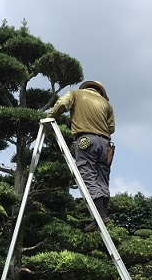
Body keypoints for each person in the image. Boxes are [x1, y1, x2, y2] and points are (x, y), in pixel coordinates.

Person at [48, 80, 115, 232]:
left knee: (87, 174)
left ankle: (101, 215)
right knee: (102, 177)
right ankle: (102, 214)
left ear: (86, 87)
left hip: (86, 140)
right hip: (105, 143)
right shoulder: (106, 104)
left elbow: (61, 104)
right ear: (100, 91)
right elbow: (111, 128)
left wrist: (51, 115)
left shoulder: (76, 94)